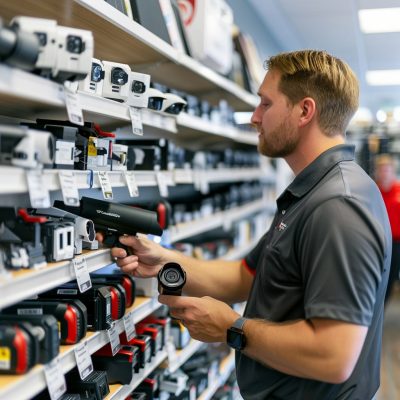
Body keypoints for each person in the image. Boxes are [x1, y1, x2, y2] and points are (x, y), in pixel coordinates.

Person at [107, 50, 391, 399]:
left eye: (265, 104)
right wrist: (164, 259)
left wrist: (231, 328)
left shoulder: (338, 206)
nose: (254, 118)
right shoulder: (312, 192)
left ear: (304, 111)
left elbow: (334, 355)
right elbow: (246, 277)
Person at [374, 154, 400, 303]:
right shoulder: (373, 191)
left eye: (387, 170)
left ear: (393, 172)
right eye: (381, 170)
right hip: (378, 241)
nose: (384, 174)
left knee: (390, 279)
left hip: (396, 244)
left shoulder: (398, 191)